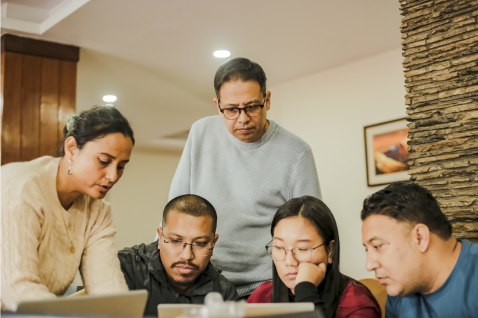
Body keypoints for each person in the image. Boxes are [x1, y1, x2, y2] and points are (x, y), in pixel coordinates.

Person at [159, 57, 322, 298]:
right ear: (218, 106)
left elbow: (312, 232)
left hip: (265, 286)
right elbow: (173, 212)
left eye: (252, 107)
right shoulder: (201, 133)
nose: (242, 119)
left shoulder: (296, 153)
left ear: (267, 100)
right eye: (232, 109)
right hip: (201, 280)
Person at [0, 106, 134, 310]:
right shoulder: (20, 186)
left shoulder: (98, 212)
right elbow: (17, 289)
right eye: (104, 161)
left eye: (121, 166)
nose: (113, 176)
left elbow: (109, 290)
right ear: (71, 148)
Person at [248, 196, 380, 318]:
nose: (289, 261)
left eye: (303, 249)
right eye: (279, 248)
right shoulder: (261, 297)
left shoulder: (356, 303)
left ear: (330, 250)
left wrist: (305, 289)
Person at [361, 182, 478, 318]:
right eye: (367, 250)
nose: (369, 265)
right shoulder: (398, 290)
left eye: (378, 246)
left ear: (420, 238)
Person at [119, 195, 238, 316]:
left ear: (213, 244)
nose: (186, 256)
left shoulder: (224, 295)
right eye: (176, 241)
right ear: (160, 237)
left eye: (200, 243)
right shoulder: (122, 269)